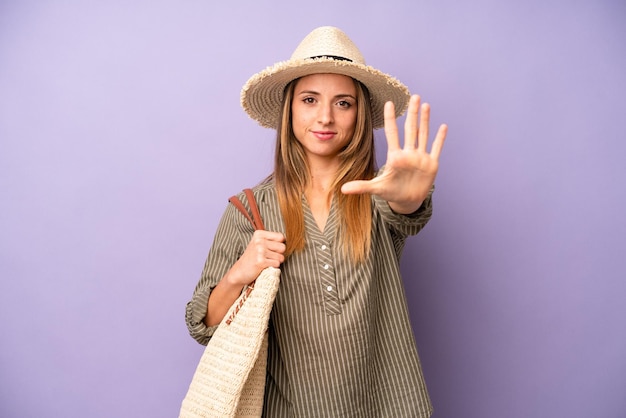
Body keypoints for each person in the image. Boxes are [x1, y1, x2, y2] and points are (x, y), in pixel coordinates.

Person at [185, 26, 447, 417]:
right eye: (310, 100)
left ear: (359, 114)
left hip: (389, 405)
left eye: (343, 103)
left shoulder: (378, 196)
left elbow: (407, 214)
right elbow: (202, 324)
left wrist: (410, 200)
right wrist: (241, 273)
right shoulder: (250, 208)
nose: (325, 117)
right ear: (289, 107)